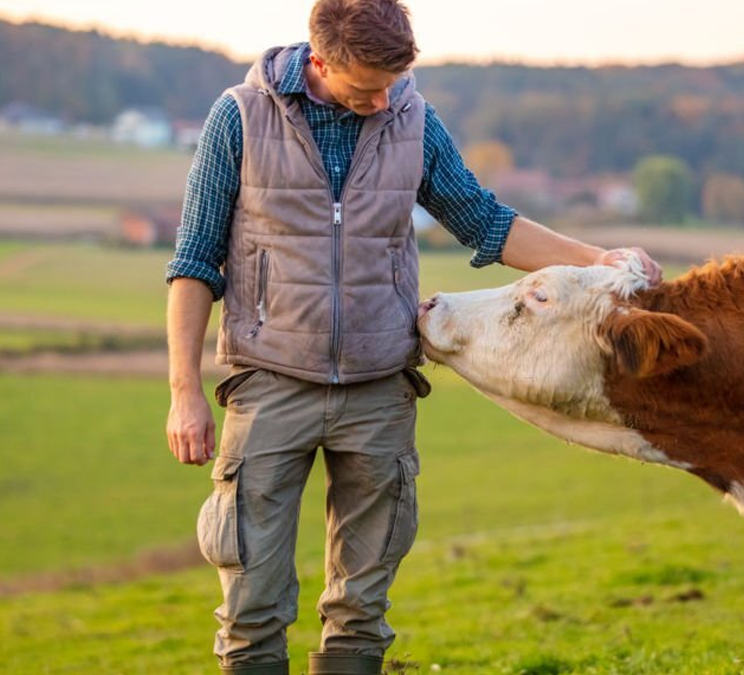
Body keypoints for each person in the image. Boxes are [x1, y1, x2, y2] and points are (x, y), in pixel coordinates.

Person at [164, 1, 662, 673]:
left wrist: (592, 260)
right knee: (252, 606)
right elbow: (194, 262)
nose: (382, 100)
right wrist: (184, 392)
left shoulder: (413, 120)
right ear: (319, 62)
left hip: (379, 391)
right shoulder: (240, 118)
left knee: (361, 611)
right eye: (366, 88)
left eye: (394, 84)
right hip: (269, 384)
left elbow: (485, 221)